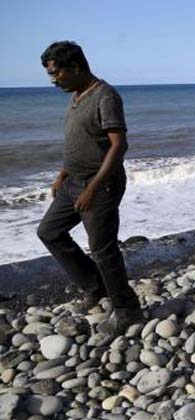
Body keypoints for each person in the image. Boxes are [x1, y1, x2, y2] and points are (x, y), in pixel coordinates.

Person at [36, 41, 142, 335]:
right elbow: (81, 142)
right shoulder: (77, 96)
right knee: (50, 232)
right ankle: (95, 287)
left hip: (101, 185)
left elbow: (119, 145)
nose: (53, 80)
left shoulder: (106, 96)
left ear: (75, 67)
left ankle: (127, 309)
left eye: (56, 73)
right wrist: (62, 174)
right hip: (73, 182)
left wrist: (93, 188)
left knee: (103, 249)